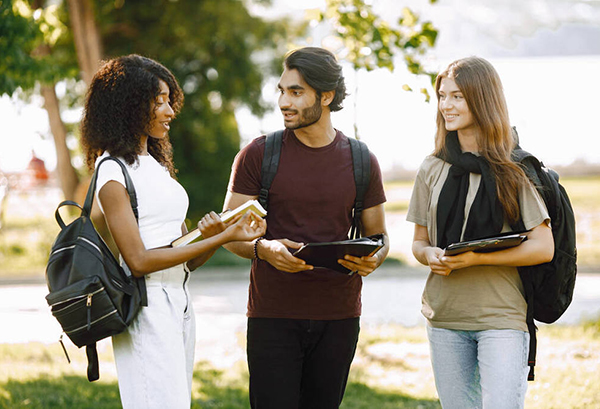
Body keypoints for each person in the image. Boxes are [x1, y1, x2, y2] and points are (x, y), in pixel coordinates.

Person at [80, 54, 266, 409]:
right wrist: (221, 237)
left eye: (169, 100)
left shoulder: (156, 166)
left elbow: (188, 259)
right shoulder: (112, 170)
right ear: (129, 105)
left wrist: (221, 233)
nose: (169, 111)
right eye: (158, 101)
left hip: (179, 303)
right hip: (145, 307)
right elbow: (136, 260)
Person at [222, 46, 389, 408]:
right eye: (282, 90)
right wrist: (261, 249)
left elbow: (379, 237)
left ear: (325, 96)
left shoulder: (362, 160)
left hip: (340, 317)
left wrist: (375, 258)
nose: (284, 101)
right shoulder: (259, 155)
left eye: (296, 92)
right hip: (273, 316)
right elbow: (228, 233)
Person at [407, 56, 554, 409]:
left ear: (482, 98)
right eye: (442, 96)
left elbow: (543, 246)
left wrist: (474, 259)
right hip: (444, 317)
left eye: (457, 96)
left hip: (501, 317)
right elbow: (419, 242)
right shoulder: (432, 166)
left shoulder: (514, 167)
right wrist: (429, 255)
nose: (446, 105)